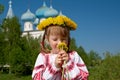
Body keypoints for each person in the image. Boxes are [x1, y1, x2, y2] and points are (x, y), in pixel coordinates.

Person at [32, 15, 89, 80]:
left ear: (68, 39)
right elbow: (37, 78)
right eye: (55, 39)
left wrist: (69, 63)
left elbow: (84, 77)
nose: (59, 43)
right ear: (47, 39)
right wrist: (54, 67)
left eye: (63, 39)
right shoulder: (43, 57)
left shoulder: (74, 56)